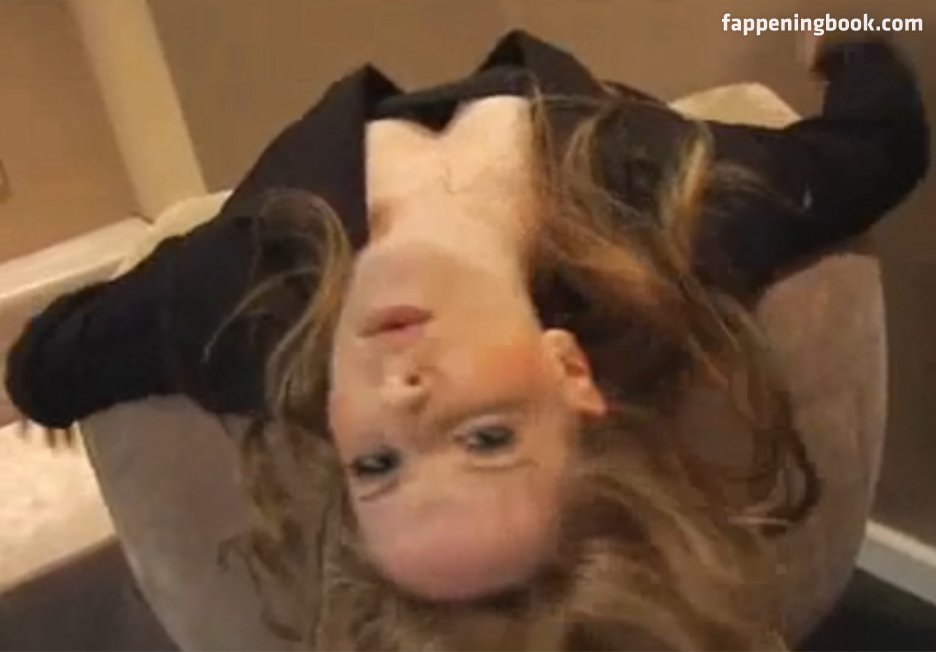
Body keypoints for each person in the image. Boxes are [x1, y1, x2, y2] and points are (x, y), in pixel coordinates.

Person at [5, 31, 928, 650]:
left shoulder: (241, 304)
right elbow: (878, 144)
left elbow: (45, 363)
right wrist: (838, 38)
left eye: (377, 465)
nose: (404, 399)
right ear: (567, 371)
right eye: (486, 438)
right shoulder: (665, 203)